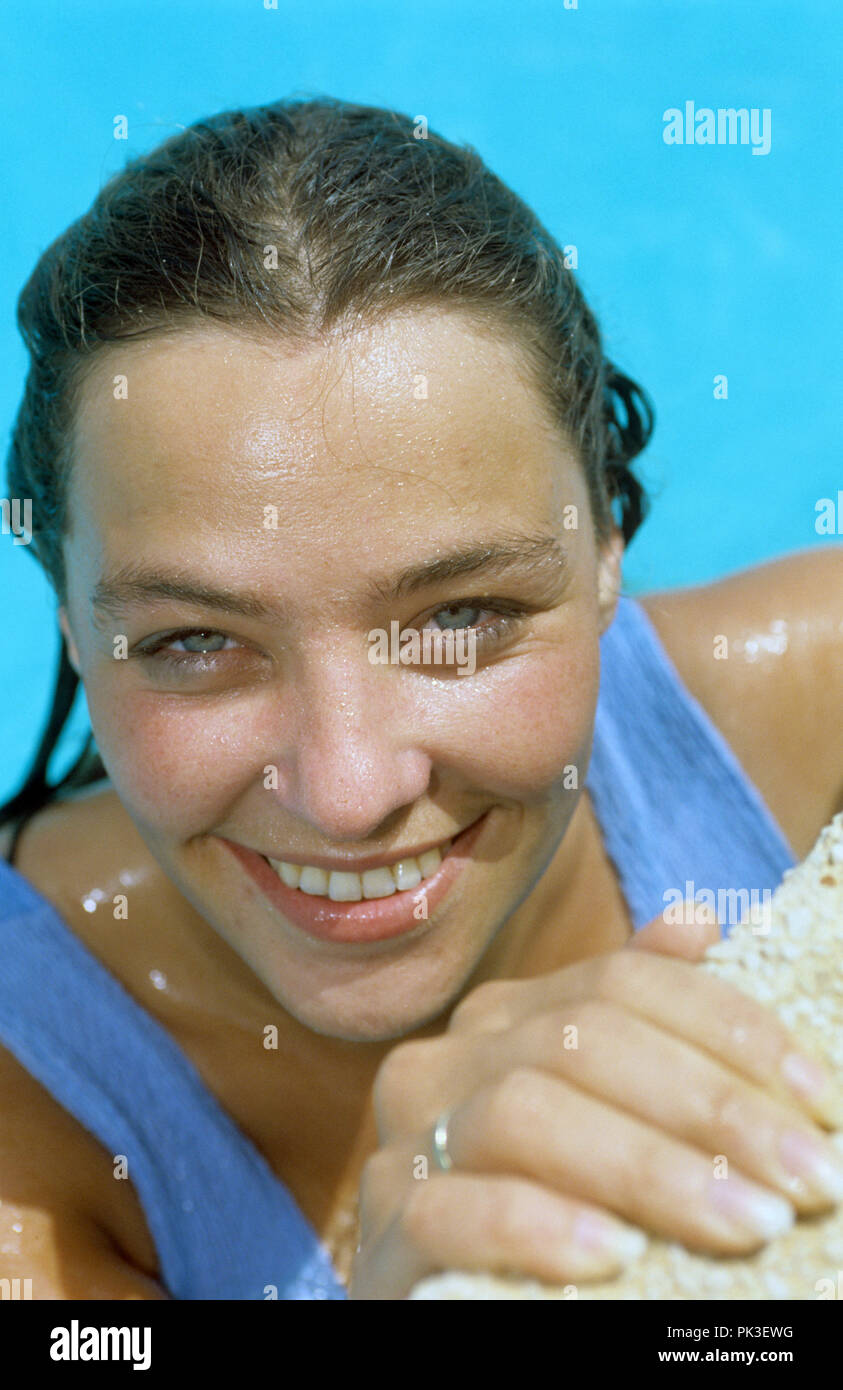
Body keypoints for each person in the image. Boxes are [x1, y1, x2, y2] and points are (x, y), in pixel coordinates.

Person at [0, 96, 841, 1302]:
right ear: (73, 628)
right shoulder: (35, 1144)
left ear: (609, 540)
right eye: (194, 640)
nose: (347, 795)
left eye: (462, 617)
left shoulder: (810, 720)